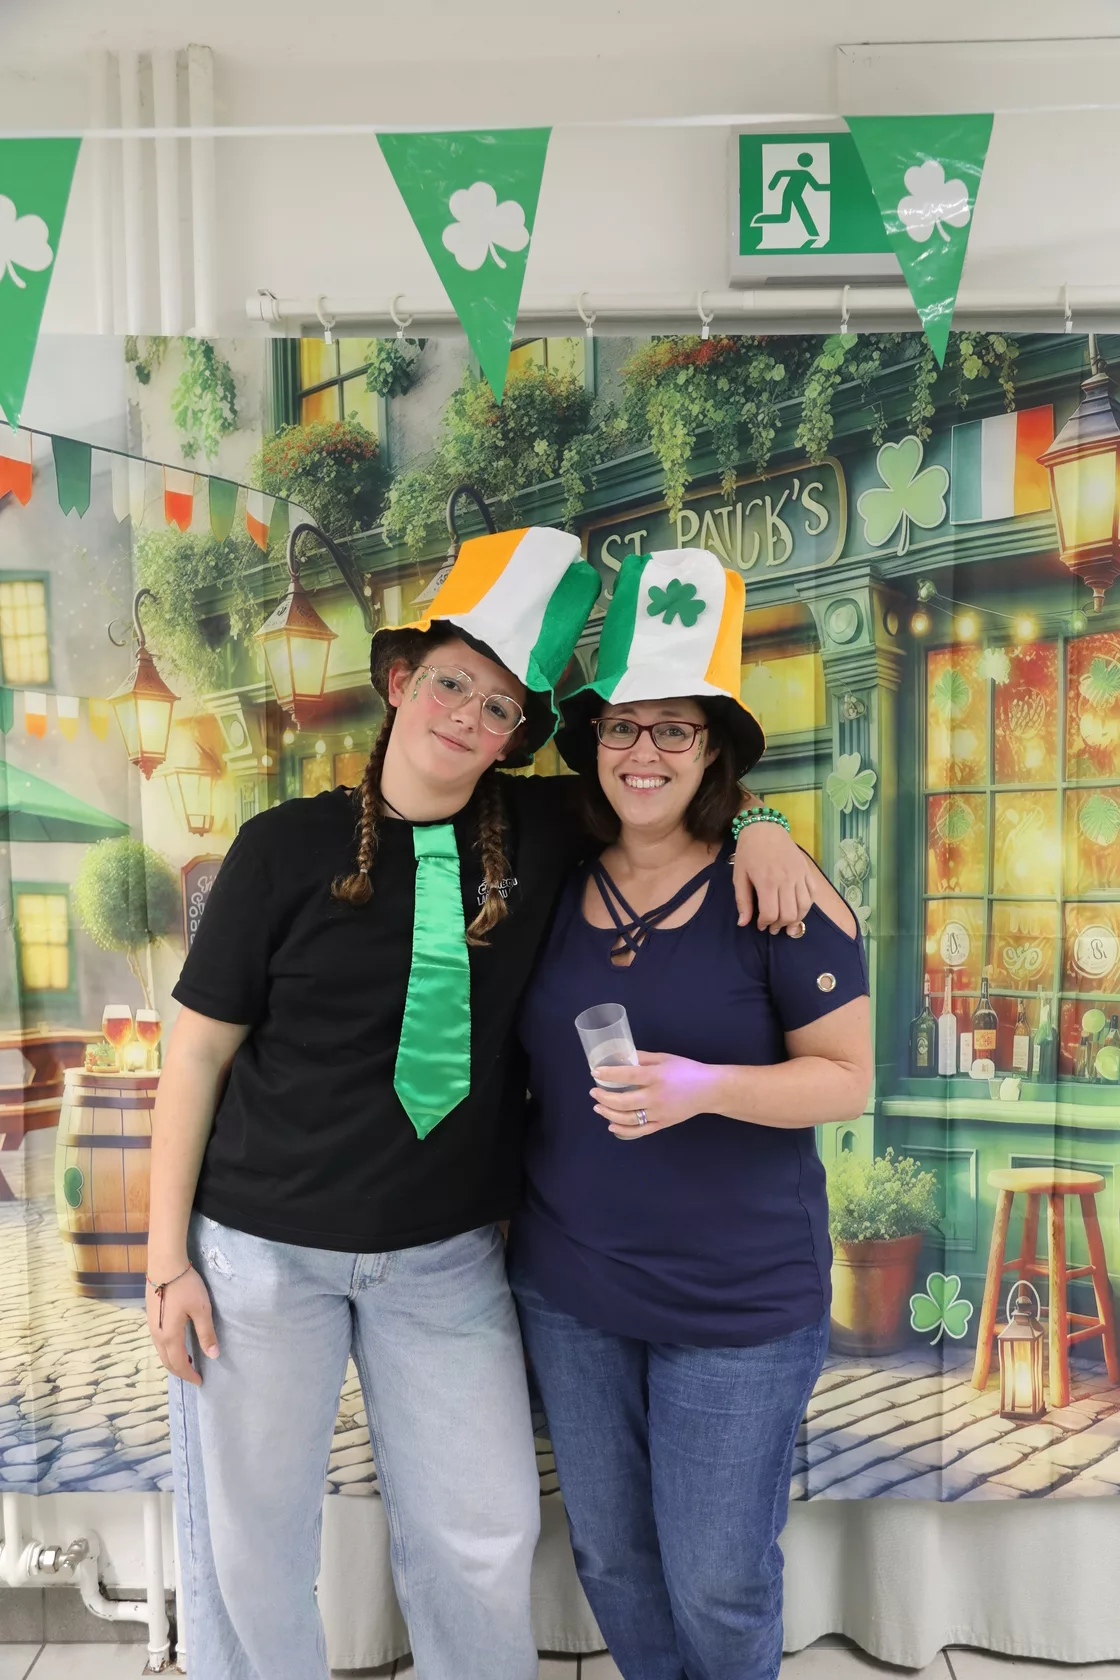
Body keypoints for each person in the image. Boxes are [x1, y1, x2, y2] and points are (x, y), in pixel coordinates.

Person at [144, 525, 815, 1680]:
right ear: (402, 680)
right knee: (252, 1545)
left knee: (482, 1535)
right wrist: (167, 1263)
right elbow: (195, 1056)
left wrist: (760, 824)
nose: (467, 715)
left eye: (500, 706)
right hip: (262, 1252)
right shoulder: (279, 848)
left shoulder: (547, 831)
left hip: (444, 1259)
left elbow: (667, 787)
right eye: (452, 683)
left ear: (516, 737)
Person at [508, 548, 874, 1680]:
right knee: (613, 1558)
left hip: (736, 1304)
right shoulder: (553, 877)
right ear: (592, 743)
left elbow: (848, 1077)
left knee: (717, 1580)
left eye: (674, 728)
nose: (645, 751)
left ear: (713, 748)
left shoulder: (777, 887)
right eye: (622, 726)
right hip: (571, 1289)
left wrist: (705, 1087)